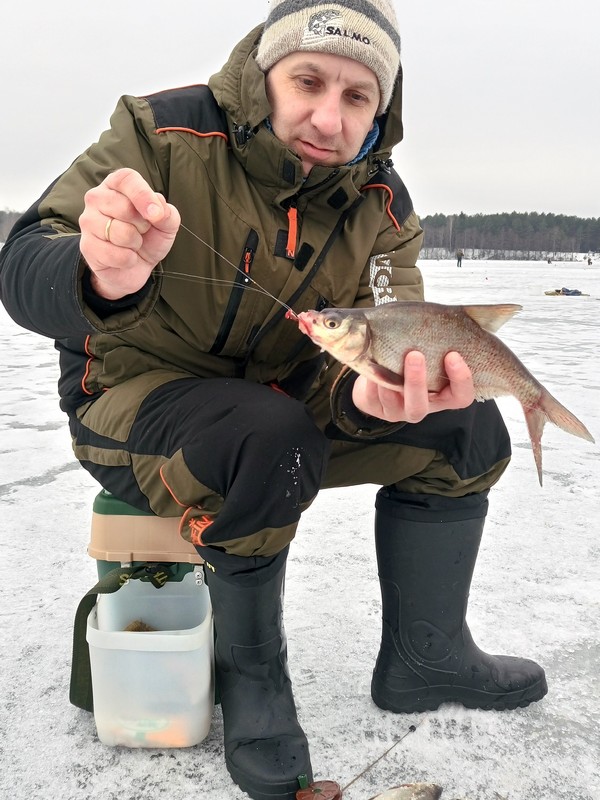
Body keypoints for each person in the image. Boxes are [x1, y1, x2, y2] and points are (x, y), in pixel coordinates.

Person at [0, 2, 548, 798]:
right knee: (270, 433)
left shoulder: (384, 209)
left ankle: (426, 656)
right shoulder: (161, 133)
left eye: (358, 97)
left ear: (381, 110)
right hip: (131, 403)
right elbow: (22, 262)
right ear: (266, 74)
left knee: (465, 427)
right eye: (309, 80)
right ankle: (253, 674)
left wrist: (375, 400)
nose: (328, 116)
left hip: (293, 401)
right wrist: (95, 272)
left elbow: (389, 338)